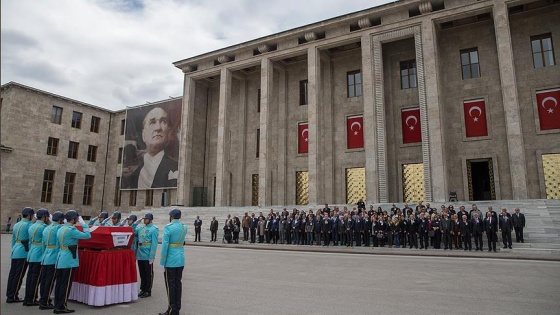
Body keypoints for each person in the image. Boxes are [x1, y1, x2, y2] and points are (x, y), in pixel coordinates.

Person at [124, 107, 178, 189]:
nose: (158, 128)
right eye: (152, 122)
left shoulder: (177, 168)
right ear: (143, 135)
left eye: (163, 121)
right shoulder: (132, 177)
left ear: (169, 132)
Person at [53, 210, 91, 314]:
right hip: (69, 260)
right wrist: (84, 225)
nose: (77, 220)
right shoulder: (71, 230)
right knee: (65, 284)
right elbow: (87, 236)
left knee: (59, 284)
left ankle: (57, 304)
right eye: (77, 219)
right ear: (73, 219)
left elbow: (57, 245)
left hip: (60, 258)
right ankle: (62, 306)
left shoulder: (61, 228)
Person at [159, 209, 187, 315]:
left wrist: (162, 261)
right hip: (180, 258)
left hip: (170, 259)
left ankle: (171, 309)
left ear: (171, 216)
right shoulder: (184, 227)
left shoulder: (168, 227)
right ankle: (177, 308)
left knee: (170, 284)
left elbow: (165, 246)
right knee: (177, 284)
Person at [6, 207, 34, 303]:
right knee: (19, 275)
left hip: (15, 250)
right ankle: (13, 295)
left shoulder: (17, 224)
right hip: (23, 252)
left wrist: (14, 248)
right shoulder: (29, 225)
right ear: (30, 215)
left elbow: (13, 239)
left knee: (13, 274)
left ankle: (10, 294)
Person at [23, 208, 50, 306]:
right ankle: (32, 298)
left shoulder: (32, 226)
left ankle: (27, 298)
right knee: (36, 277)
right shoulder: (43, 227)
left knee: (30, 277)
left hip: (32, 252)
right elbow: (44, 242)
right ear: (45, 217)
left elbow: (30, 241)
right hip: (39, 253)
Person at [38, 211, 64, 310]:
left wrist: (44, 254)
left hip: (46, 255)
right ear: (61, 220)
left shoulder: (46, 228)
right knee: (50, 280)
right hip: (53, 256)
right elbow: (58, 244)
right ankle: (45, 301)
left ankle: (43, 299)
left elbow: (43, 244)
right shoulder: (59, 229)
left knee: (44, 279)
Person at [136, 213, 159, 298]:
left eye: (146, 219)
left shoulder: (154, 229)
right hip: (140, 253)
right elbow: (133, 231)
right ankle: (143, 289)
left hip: (147, 254)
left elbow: (154, 243)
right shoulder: (141, 228)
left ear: (150, 220)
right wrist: (135, 223)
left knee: (148, 273)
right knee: (142, 273)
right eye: (144, 219)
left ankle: (148, 290)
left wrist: (152, 256)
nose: (144, 220)